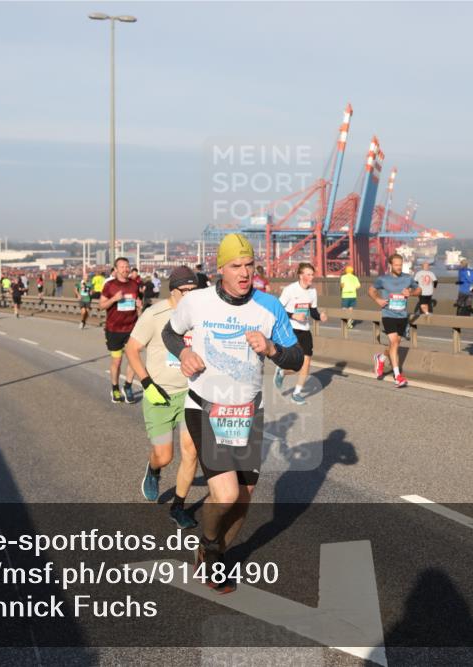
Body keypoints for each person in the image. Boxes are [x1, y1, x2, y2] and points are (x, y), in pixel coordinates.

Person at [162, 233, 303, 593]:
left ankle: (216, 554)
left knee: (243, 496)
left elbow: (297, 357)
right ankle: (210, 549)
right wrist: (184, 354)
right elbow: (170, 333)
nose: (244, 273)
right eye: (236, 266)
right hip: (205, 406)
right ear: (220, 268)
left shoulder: (269, 306)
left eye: (249, 266)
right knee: (224, 494)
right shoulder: (197, 302)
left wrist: (271, 348)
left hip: (247, 412)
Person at [126, 266, 200, 528]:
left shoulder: (199, 314)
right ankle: (154, 469)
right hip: (159, 394)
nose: (191, 296)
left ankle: (178, 506)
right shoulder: (154, 314)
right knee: (165, 455)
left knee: (191, 452)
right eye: (186, 291)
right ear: (173, 290)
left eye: (195, 290)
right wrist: (146, 384)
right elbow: (132, 349)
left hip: (191, 393)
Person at [274, 263, 326, 404]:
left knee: (306, 362)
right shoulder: (290, 290)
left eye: (312, 274)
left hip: (305, 330)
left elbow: (313, 311)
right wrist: (293, 316)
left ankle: (296, 393)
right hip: (291, 329)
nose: (311, 277)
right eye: (308, 274)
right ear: (300, 275)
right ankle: (282, 371)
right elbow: (278, 309)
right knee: (295, 364)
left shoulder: (313, 292)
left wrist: (319, 316)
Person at [368, 253, 420, 388]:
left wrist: (412, 293)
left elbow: (419, 289)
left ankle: (381, 358)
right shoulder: (383, 279)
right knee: (394, 342)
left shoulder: (408, 278)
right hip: (388, 315)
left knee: (394, 343)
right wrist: (377, 299)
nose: (399, 267)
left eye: (400, 265)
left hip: (402, 316)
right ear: (390, 265)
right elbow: (371, 290)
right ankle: (397, 376)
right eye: (396, 265)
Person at [100, 257, 143, 403]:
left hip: (131, 327)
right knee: (117, 361)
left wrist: (139, 307)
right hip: (114, 329)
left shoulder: (134, 285)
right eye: (122, 267)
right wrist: (113, 299)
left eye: (127, 266)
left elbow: (138, 305)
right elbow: (102, 305)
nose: (125, 269)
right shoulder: (109, 285)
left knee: (134, 358)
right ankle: (115, 388)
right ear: (116, 269)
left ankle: (128, 385)